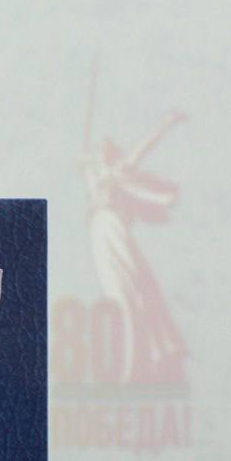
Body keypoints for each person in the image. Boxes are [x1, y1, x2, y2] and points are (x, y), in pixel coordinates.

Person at [82, 110, 187, 385]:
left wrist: (166, 122)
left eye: (105, 148)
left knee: (131, 292)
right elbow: (86, 167)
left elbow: (144, 145)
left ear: (111, 154)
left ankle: (142, 361)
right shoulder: (92, 174)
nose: (101, 151)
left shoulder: (118, 171)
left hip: (112, 228)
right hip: (99, 233)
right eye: (99, 148)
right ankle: (138, 362)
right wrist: (85, 162)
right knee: (118, 295)